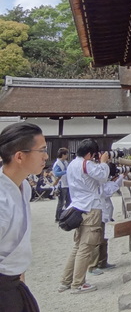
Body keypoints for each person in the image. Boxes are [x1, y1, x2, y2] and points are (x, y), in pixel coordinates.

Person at [0, 122, 47, 312]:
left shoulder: (24, 186)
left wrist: (19, 274)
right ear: (19, 156)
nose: (46, 156)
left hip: (13, 282)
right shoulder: (1, 201)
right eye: (42, 150)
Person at [59, 138, 110, 294]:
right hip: (91, 208)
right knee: (86, 247)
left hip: (77, 207)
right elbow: (103, 176)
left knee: (78, 246)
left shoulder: (73, 164)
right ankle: (78, 284)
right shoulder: (86, 164)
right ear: (89, 154)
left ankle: (65, 282)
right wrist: (103, 162)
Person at [88, 163, 123, 275]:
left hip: (105, 214)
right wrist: (119, 179)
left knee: (104, 239)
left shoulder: (105, 181)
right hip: (100, 213)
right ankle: (93, 266)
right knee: (97, 240)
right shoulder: (99, 182)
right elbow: (107, 192)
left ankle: (103, 262)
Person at [52, 148, 71, 222]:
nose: (67, 156)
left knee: (69, 201)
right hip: (61, 184)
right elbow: (56, 173)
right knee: (61, 202)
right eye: (66, 154)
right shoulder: (57, 163)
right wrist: (66, 172)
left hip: (67, 184)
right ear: (63, 155)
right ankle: (58, 217)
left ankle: (67, 215)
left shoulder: (65, 162)